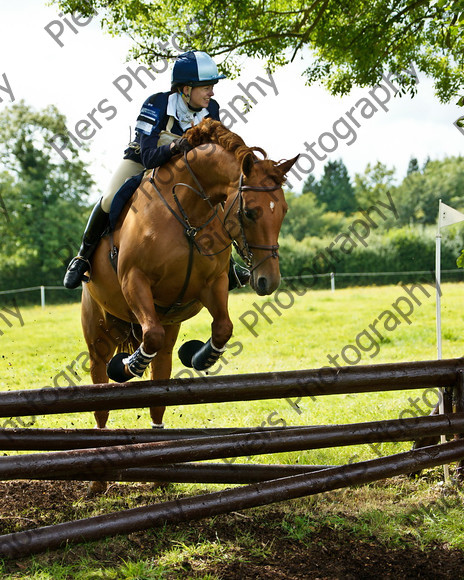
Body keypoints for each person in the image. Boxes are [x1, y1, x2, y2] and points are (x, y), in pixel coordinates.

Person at [63, 50, 249, 290]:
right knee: (109, 199)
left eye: (212, 86)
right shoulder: (157, 103)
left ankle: (228, 264)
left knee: (220, 201)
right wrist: (174, 146)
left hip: (185, 172)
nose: (212, 92)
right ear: (185, 89)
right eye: (206, 87)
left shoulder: (211, 107)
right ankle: (82, 257)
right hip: (143, 160)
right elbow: (150, 156)